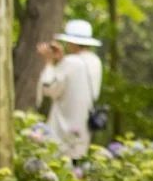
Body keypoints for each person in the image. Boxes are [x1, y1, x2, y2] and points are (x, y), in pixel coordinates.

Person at [36, 19, 104, 160]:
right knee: (76, 164)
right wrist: (61, 60)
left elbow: (49, 89)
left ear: (71, 42)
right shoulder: (95, 61)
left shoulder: (71, 62)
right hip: (83, 127)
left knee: (58, 163)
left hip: (63, 128)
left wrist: (49, 63)